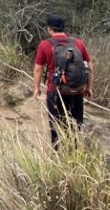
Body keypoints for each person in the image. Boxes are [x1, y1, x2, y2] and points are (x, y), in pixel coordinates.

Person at [32, 15, 93, 148]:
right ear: (63, 28)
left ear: (49, 29)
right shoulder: (78, 43)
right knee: (76, 124)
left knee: (56, 124)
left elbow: (38, 69)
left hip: (55, 90)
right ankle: (74, 153)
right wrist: (88, 87)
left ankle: (58, 155)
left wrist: (36, 88)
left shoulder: (45, 44)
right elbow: (89, 66)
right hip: (76, 90)